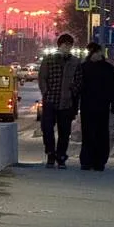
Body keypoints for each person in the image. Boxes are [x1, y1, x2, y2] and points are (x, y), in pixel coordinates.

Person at [38, 33, 82, 168]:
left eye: (69, 45)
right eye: (65, 45)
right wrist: (45, 92)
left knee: (65, 131)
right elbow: (42, 77)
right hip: (50, 100)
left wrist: (73, 91)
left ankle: (61, 156)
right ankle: (50, 153)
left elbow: (79, 80)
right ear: (59, 45)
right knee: (47, 129)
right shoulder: (49, 60)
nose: (67, 47)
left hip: (66, 102)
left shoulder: (75, 62)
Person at [77, 42, 114, 171]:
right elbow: (78, 86)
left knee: (101, 133)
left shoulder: (106, 68)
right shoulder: (84, 67)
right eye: (93, 53)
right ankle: (87, 160)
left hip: (101, 105)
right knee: (89, 133)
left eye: (96, 52)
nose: (95, 55)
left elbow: (113, 87)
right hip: (88, 105)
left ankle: (99, 161)